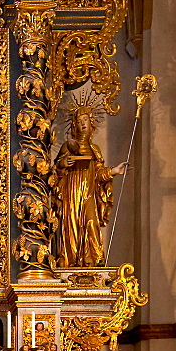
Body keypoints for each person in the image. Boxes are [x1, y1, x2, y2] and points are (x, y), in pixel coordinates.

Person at [54, 104, 125, 268]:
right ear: (74, 126)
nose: (82, 124)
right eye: (79, 121)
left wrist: (114, 170)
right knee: (71, 226)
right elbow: (56, 169)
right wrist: (64, 163)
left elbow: (99, 173)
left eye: (85, 120)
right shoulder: (67, 146)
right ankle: (70, 261)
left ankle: (94, 259)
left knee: (91, 223)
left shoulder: (94, 150)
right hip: (71, 193)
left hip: (88, 193)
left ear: (91, 123)